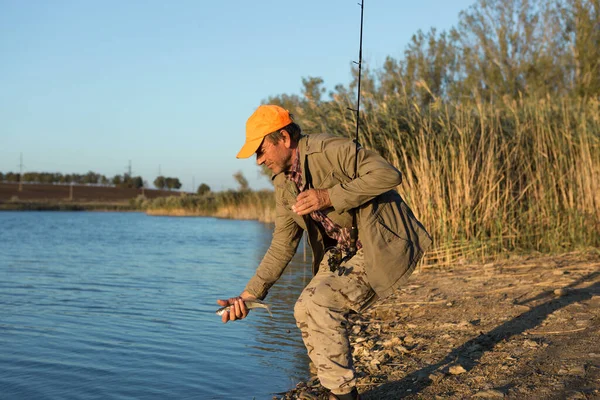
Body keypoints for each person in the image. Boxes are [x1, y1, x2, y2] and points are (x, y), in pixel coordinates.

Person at [217, 104, 432, 400]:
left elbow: (388, 174)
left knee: (321, 303)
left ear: (284, 138)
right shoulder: (282, 185)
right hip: (342, 254)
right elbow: (282, 244)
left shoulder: (329, 149)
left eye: (261, 150)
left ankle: (343, 396)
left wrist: (328, 196)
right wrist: (250, 295)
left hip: (380, 243)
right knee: (302, 307)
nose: (258, 160)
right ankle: (332, 386)